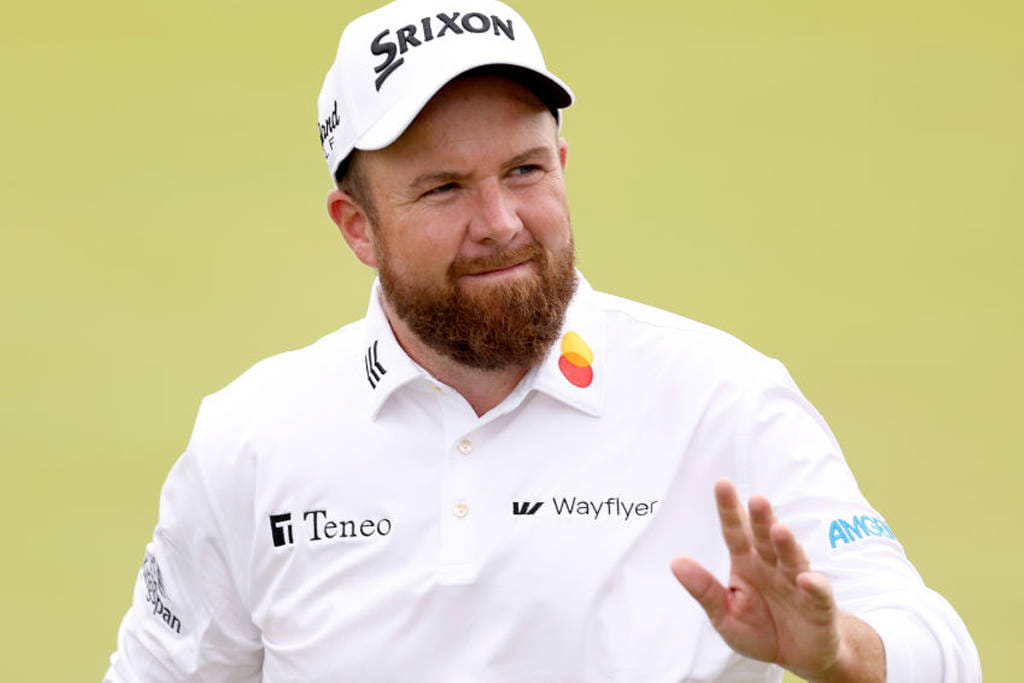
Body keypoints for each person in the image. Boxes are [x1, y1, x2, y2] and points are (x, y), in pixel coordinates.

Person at [105, 0, 981, 680]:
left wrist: (841, 655)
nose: (500, 223)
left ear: (562, 165)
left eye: (524, 171)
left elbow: (941, 649)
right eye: (443, 189)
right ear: (357, 227)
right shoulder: (254, 439)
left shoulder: (720, 398)